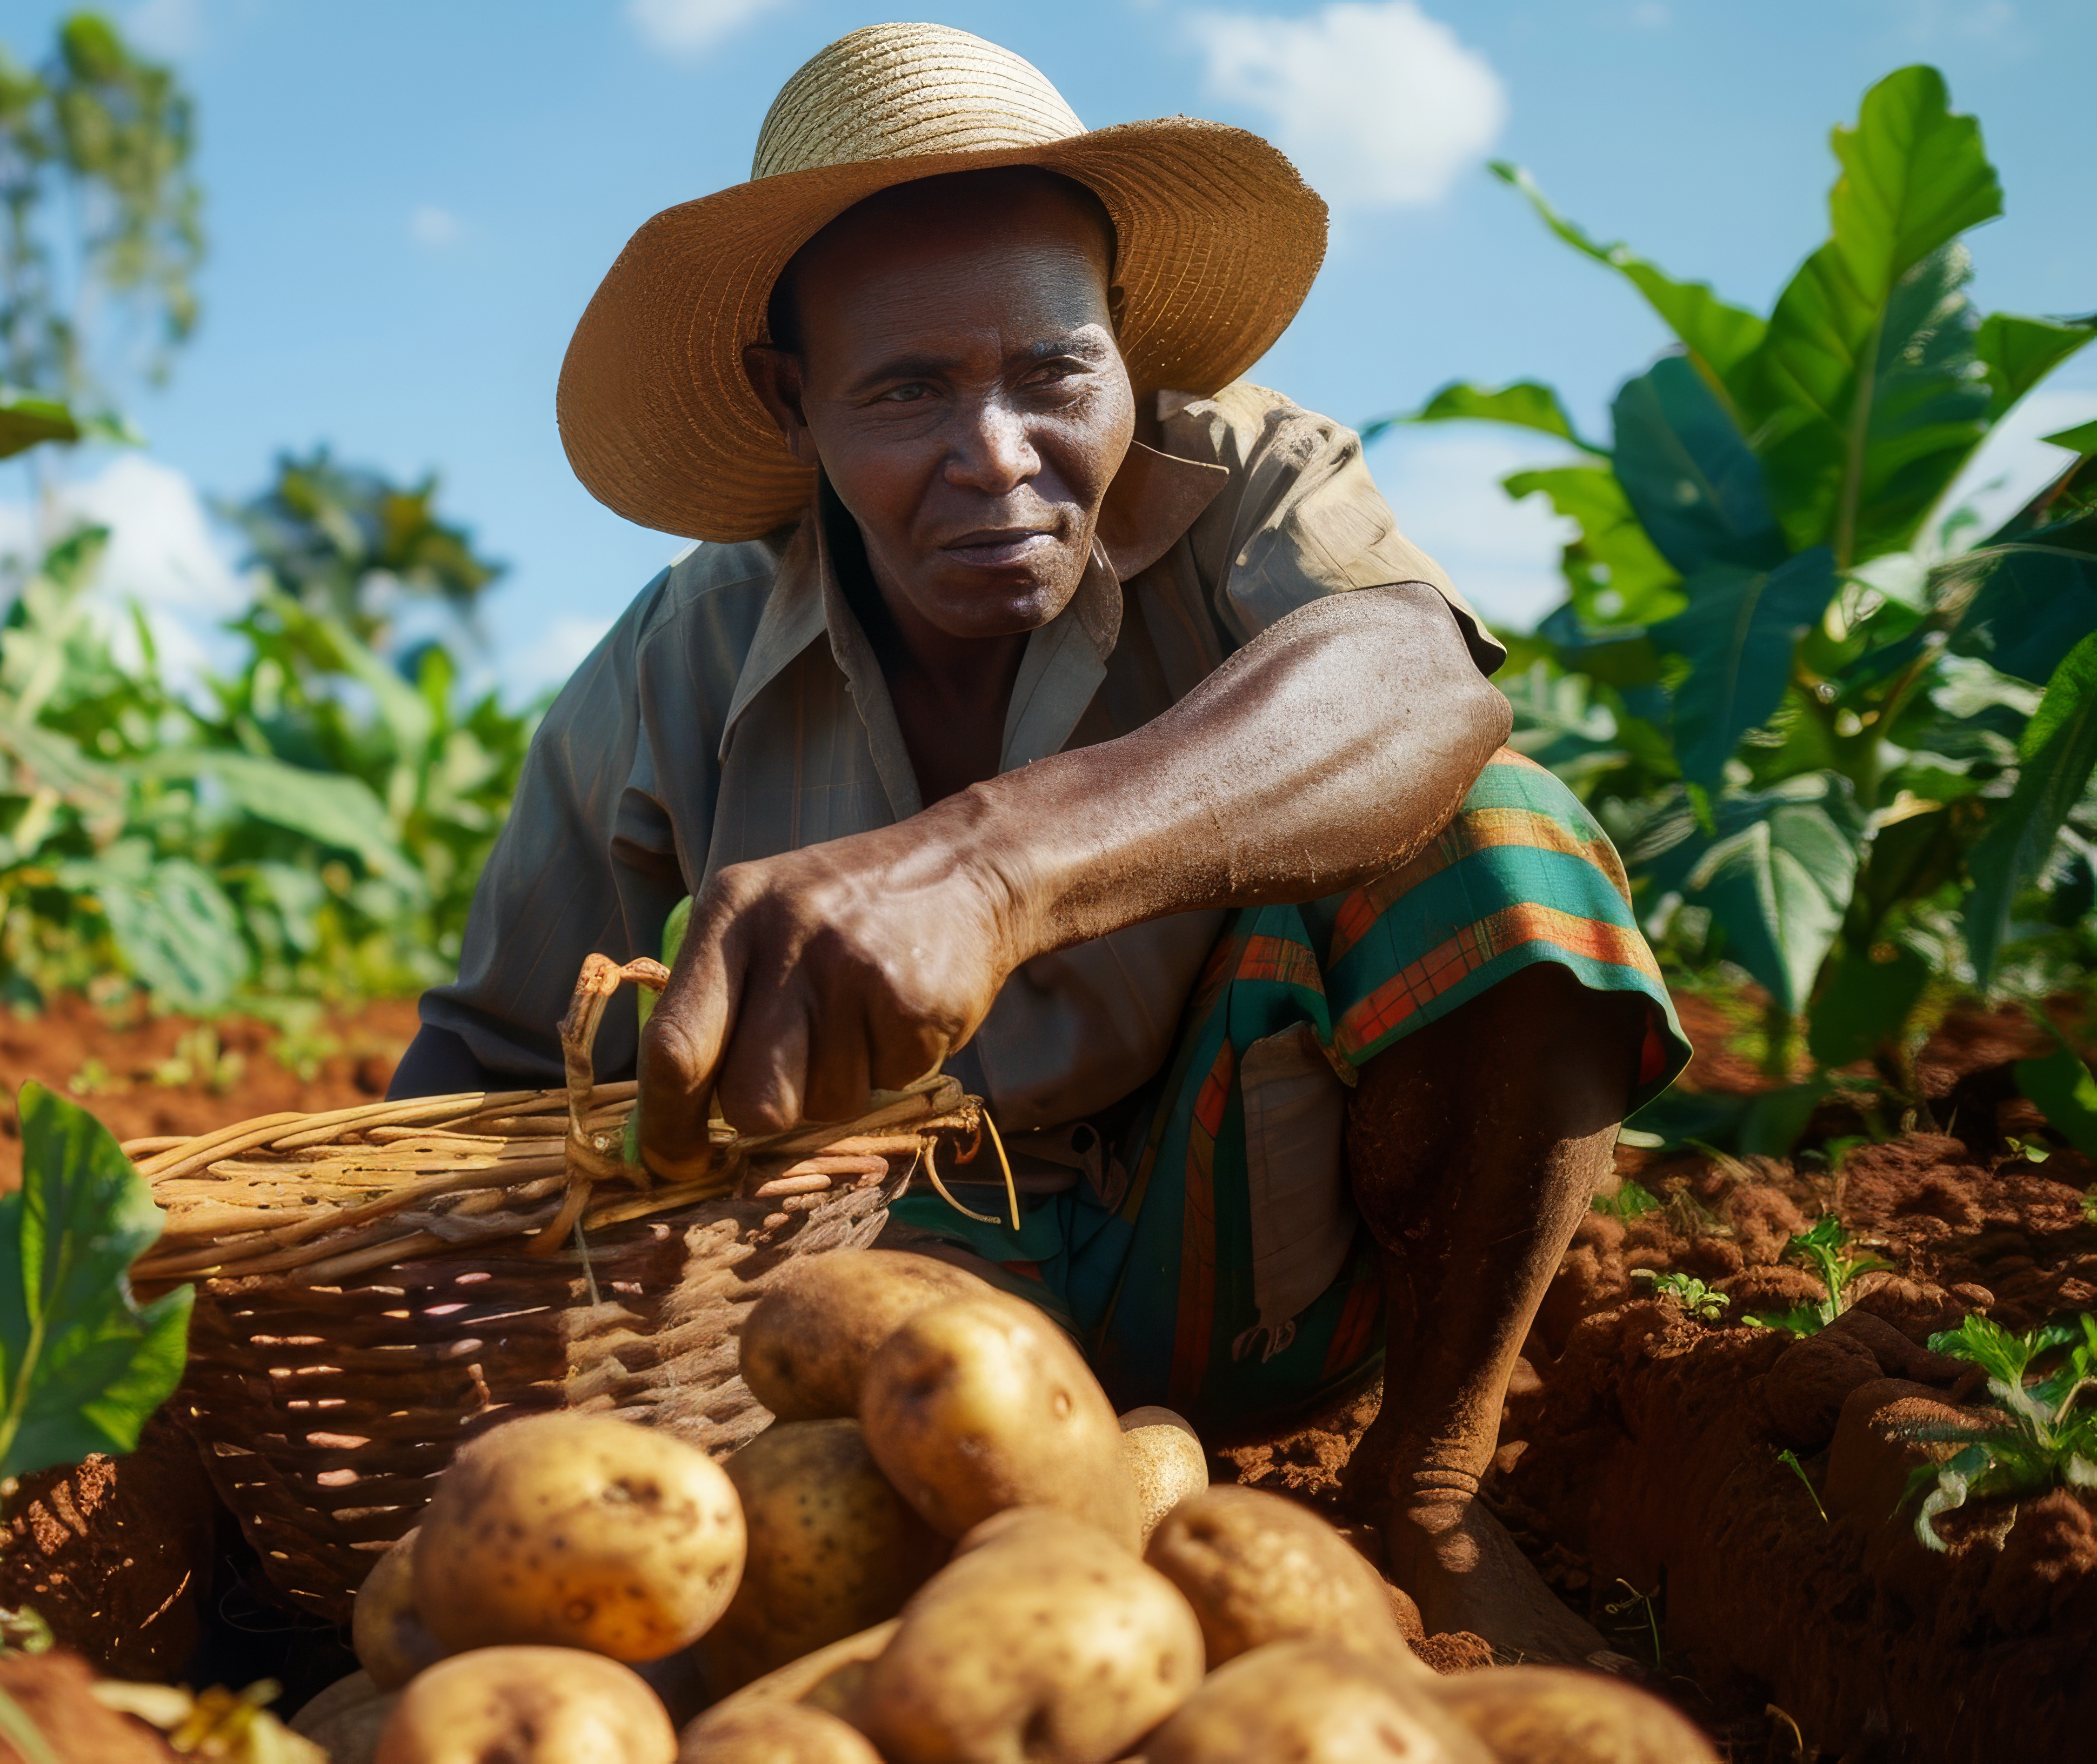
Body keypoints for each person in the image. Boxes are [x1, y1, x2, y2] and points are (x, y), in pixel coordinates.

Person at [386, 23, 1687, 1660]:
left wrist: (993, 867)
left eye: (1051, 374)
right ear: (793, 404)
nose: (995, 456)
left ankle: (1426, 1492)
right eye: (909, 390)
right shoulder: (680, 661)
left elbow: (1420, 686)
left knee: (1499, 833)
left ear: (1126, 350)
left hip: (1235, 1238)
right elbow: (488, 1053)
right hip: (855, 1334)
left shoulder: (1244, 484)